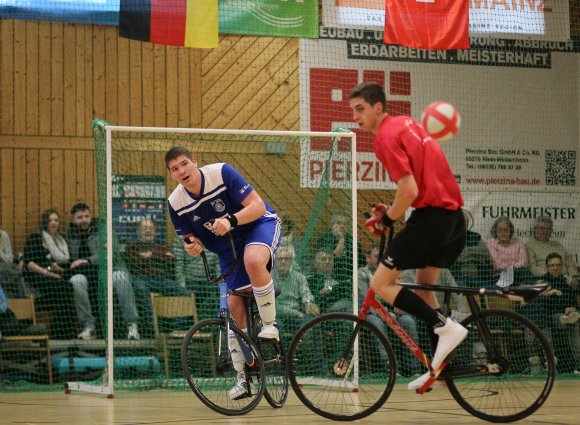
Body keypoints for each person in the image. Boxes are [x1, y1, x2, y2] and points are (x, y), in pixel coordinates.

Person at [348, 82, 468, 391]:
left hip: (431, 219)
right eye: (353, 111)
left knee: (380, 283)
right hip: (453, 219)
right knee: (426, 291)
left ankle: (447, 326)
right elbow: (419, 186)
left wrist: (387, 218)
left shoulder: (384, 138)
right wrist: (391, 209)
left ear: (378, 107)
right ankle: (440, 369)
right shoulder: (407, 123)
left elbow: (410, 190)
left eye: (360, 109)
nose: (355, 117)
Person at [165, 146, 282, 401]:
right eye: (175, 169)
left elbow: (258, 206)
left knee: (253, 259)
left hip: (257, 227)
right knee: (232, 306)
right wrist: (193, 247)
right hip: (228, 248)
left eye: (185, 163)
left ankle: (270, 325)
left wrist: (230, 220)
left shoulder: (221, 172)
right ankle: (244, 377)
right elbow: (189, 239)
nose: (182, 170)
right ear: (171, 175)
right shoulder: (175, 203)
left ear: (195, 161)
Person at [66, 203, 140, 340]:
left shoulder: (104, 229)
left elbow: (110, 253)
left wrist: (87, 260)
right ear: (73, 219)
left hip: (111, 269)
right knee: (76, 281)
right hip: (86, 274)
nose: (84, 220)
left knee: (121, 278)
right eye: (80, 217)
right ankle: (88, 327)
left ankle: (132, 325)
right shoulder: (69, 236)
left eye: (87, 216)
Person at [360, 246, 421, 376]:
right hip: (371, 313)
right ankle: (391, 368)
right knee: (377, 324)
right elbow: (367, 300)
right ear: (368, 258)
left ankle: (414, 369)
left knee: (408, 321)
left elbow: (398, 296)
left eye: (382, 258)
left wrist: (401, 306)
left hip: (390, 313)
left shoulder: (389, 274)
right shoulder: (362, 273)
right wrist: (386, 314)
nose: (379, 261)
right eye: (376, 257)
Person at [22, 209, 82, 339]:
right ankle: (61, 334)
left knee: (67, 287)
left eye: (56, 220)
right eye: (50, 220)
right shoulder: (36, 237)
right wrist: (48, 272)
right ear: (45, 222)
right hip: (37, 276)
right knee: (64, 287)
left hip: (55, 276)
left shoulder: (61, 240)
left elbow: (63, 264)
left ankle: (62, 332)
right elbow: (29, 263)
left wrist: (59, 270)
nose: (53, 223)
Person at [125, 218, 189, 337]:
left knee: (183, 293)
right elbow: (134, 260)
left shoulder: (161, 246)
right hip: (141, 279)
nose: (148, 231)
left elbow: (171, 260)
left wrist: (151, 255)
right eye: (144, 228)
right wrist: (160, 256)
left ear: (155, 231)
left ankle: (177, 330)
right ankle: (153, 329)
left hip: (161, 279)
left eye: (150, 228)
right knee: (141, 290)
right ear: (138, 232)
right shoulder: (132, 246)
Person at [521, 253, 579, 374]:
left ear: (562, 266)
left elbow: (572, 301)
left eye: (558, 265)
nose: (555, 268)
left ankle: (578, 365)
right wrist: (554, 294)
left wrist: (572, 307)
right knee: (563, 318)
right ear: (547, 267)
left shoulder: (566, 284)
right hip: (549, 317)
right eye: (552, 265)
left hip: (565, 315)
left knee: (574, 323)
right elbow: (539, 303)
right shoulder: (542, 282)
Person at [173, 236, 220, 320]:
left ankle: (210, 325)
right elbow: (179, 265)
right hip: (189, 282)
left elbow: (218, 266)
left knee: (218, 295)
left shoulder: (214, 236)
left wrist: (220, 285)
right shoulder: (182, 237)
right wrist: (182, 288)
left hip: (209, 282)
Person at [526, 216, 579, 289]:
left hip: (568, 284)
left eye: (548, 229)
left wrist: (574, 276)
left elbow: (570, 262)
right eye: (542, 228)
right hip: (547, 283)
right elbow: (533, 268)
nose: (545, 231)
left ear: (551, 231)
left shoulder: (558, 245)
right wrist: (556, 274)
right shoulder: (529, 246)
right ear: (535, 229)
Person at [449, 210, 497, 289]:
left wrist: (467, 252)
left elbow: (485, 253)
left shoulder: (475, 236)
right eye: (462, 221)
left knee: (496, 289)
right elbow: (451, 256)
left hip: (479, 277)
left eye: (467, 221)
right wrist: (474, 254)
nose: (465, 224)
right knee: (460, 292)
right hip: (458, 278)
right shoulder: (449, 237)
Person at [315, 211, 365, 284]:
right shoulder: (323, 240)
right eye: (338, 223)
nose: (342, 226)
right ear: (332, 225)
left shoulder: (354, 242)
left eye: (345, 224)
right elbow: (330, 260)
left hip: (351, 282)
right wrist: (341, 239)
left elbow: (361, 264)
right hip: (327, 281)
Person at [486, 217, 535, 287]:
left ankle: (529, 291)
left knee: (525, 271)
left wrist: (510, 268)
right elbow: (497, 264)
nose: (503, 233)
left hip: (518, 273)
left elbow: (524, 262)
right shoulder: (491, 243)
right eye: (500, 230)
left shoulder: (518, 242)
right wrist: (513, 265)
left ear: (510, 231)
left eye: (506, 230)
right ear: (495, 231)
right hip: (500, 275)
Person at [308, 247, 351, 314]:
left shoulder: (341, 279)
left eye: (330, 259)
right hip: (322, 314)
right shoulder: (310, 281)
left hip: (343, 312)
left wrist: (331, 289)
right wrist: (319, 293)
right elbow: (307, 300)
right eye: (324, 259)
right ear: (315, 264)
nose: (327, 262)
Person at [0, 228, 32, 298]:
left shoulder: (2, 235)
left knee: (9, 270)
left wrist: (21, 258)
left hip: (7, 267)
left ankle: (22, 302)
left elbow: (9, 259)